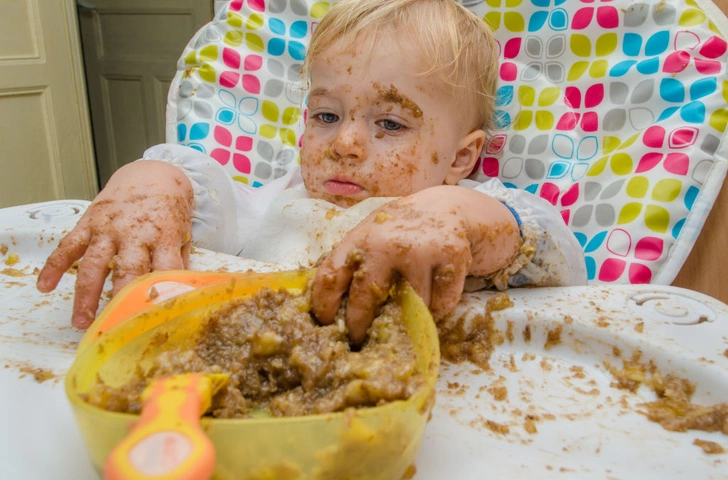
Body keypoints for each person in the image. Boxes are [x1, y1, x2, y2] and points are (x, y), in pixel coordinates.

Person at [37, 0, 586, 344]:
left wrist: (462, 217)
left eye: (391, 124)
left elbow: (558, 259)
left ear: (461, 159)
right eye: (326, 115)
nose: (344, 144)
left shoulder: (464, 209)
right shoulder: (277, 202)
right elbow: (206, 205)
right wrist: (155, 182)